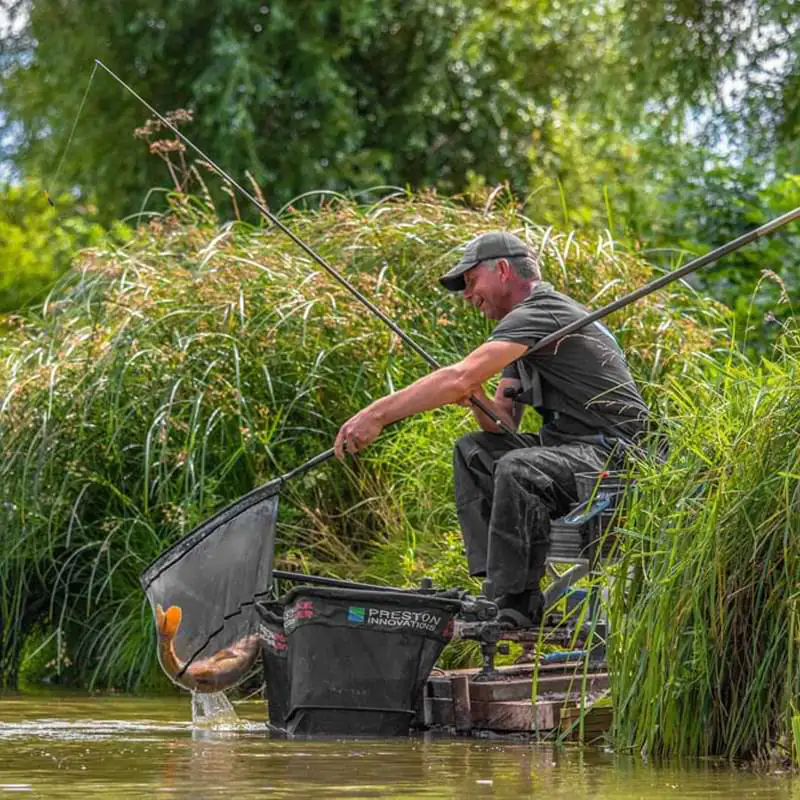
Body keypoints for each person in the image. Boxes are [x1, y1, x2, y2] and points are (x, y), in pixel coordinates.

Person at [334, 231, 649, 627]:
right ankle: (497, 590)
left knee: (519, 468)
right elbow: (502, 421)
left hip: (617, 454)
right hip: (572, 448)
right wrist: (476, 396)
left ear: (502, 270)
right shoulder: (522, 332)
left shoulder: (542, 309)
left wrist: (377, 415)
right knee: (476, 452)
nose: (467, 295)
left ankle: (514, 603)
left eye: (470, 282)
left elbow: (457, 377)